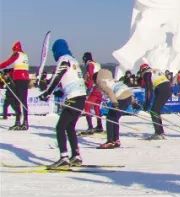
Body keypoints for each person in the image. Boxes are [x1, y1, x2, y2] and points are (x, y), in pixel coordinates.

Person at [37, 39, 87, 168]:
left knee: (60, 128)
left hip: (73, 98)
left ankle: (64, 157)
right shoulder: (74, 60)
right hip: (80, 97)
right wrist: (59, 92)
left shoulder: (64, 59)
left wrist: (47, 92)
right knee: (70, 127)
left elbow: (57, 76)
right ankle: (76, 156)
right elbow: (69, 80)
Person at [94, 68, 134, 149]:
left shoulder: (101, 82)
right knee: (114, 119)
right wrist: (132, 101)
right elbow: (125, 88)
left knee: (110, 118)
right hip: (128, 96)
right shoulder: (111, 80)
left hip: (121, 97)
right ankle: (116, 140)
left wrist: (115, 103)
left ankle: (110, 141)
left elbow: (110, 92)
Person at [0, 41, 31, 130]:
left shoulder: (17, 54)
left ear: (15, 49)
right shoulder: (24, 55)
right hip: (24, 79)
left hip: (19, 79)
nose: (12, 52)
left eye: (13, 50)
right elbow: (18, 67)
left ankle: (21, 122)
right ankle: (23, 122)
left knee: (18, 101)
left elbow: (8, 62)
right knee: (21, 100)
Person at [137, 63, 172, 140]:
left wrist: (146, 104)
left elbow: (149, 90)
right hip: (167, 88)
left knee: (154, 111)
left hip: (162, 89)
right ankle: (160, 132)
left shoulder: (147, 74)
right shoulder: (155, 70)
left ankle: (158, 133)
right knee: (156, 111)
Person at [80, 53, 104, 134]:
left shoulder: (90, 65)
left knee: (87, 106)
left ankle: (90, 127)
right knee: (96, 107)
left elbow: (90, 77)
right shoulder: (97, 64)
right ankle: (99, 126)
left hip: (95, 88)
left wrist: (88, 87)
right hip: (101, 88)